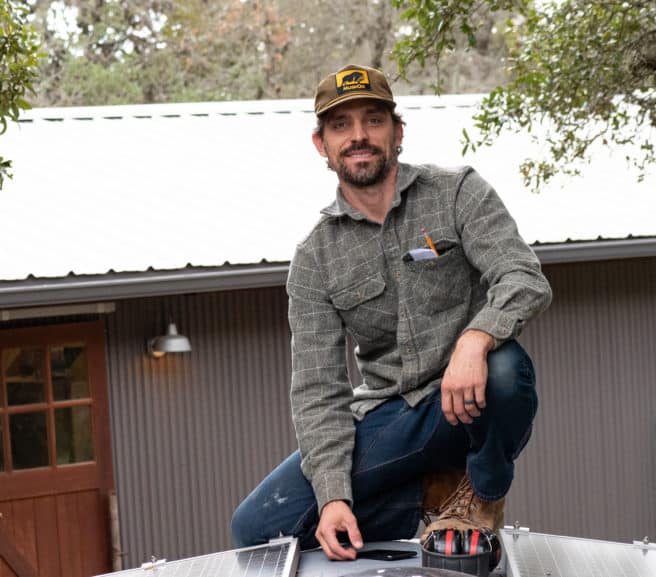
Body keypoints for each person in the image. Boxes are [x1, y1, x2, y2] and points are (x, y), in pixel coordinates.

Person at [230, 64, 552, 560]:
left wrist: (475, 339)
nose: (358, 136)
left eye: (373, 120)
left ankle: (483, 495)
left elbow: (522, 277)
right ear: (322, 144)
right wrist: (334, 496)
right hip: (394, 420)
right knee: (258, 526)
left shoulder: (458, 192)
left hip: (471, 400)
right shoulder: (315, 257)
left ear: (397, 132)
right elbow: (319, 389)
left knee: (507, 369)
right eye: (341, 125)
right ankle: (433, 490)